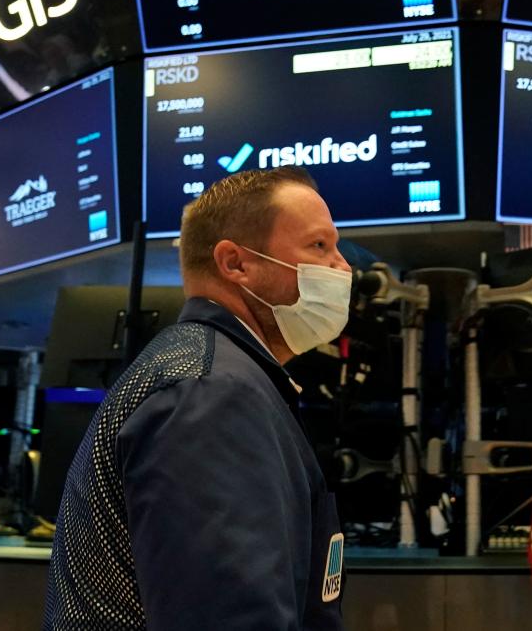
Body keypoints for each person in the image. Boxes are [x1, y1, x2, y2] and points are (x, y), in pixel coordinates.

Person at [44, 167, 351, 630]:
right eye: (319, 247)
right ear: (236, 263)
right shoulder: (212, 393)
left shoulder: (216, 373)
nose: (343, 268)